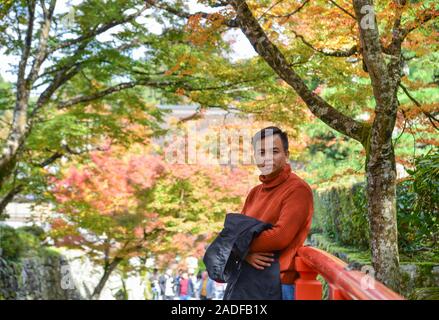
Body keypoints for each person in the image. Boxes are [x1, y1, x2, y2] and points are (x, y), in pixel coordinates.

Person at [242, 126, 314, 300]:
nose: (267, 158)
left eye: (274, 151)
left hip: (279, 284)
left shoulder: (297, 189)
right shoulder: (254, 192)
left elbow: (280, 236)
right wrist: (245, 254)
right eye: (261, 152)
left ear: (287, 155)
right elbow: (237, 231)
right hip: (249, 281)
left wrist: (240, 245)